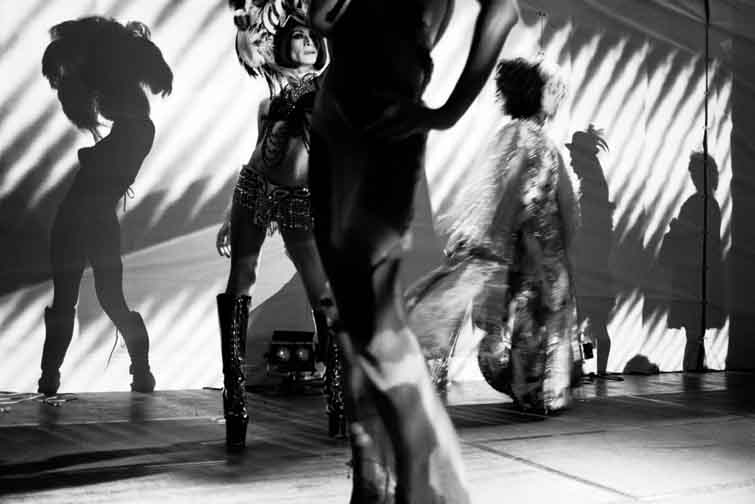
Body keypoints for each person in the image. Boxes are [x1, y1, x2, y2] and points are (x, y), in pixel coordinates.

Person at [307, 1, 520, 502]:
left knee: (377, 330)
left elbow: (502, 10)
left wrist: (446, 112)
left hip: (384, 118)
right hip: (333, 118)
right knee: (354, 327)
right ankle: (372, 480)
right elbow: (322, 17)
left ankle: (433, 491)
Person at [408, 57, 581, 414]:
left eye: (560, 91)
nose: (559, 96)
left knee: (538, 315)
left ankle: (536, 390)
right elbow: (514, 195)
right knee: (535, 315)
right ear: (532, 93)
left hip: (541, 246)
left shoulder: (527, 136)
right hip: (534, 247)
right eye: (552, 89)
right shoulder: (525, 138)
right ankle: (536, 392)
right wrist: (504, 243)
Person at [215, 1, 333, 451]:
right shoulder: (270, 96)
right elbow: (250, 50)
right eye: (299, 36)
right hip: (252, 188)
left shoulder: (326, 90)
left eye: (313, 37)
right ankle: (234, 398)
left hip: (300, 199)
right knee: (239, 279)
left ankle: (337, 392)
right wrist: (227, 216)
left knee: (320, 290)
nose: (308, 42)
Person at [38, 16, 173, 396]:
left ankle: (54, 378)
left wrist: (89, 155)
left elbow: (101, 165)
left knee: (82, 300)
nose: (101, 105)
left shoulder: (134, 130)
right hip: (91, 221)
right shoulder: (135, 129)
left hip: (84, 220)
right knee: (98, 299)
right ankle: (133, 373)